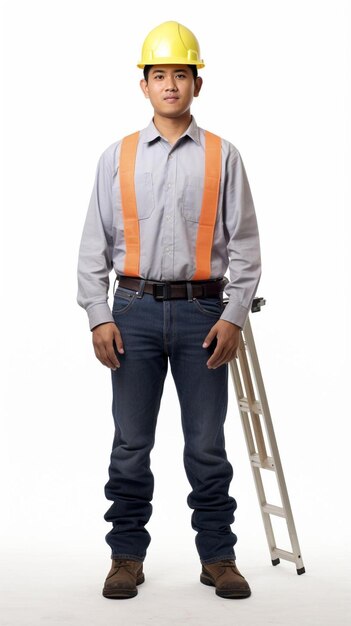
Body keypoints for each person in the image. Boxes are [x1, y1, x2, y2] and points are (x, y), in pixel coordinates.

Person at [77, 20, 262, 600]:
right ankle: (125, 556)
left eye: (181, 74)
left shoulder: (223, 157)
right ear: (145, 85)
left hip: (203, 316)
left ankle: (219, 556)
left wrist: (232, 316)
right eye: (160, 75)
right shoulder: (118, 156)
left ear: (196, 84)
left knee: (206, 443)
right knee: (131, 443)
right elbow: (93, 245)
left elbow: (247, 248)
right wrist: (98, 315)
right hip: (130, 312)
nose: (171, 85)